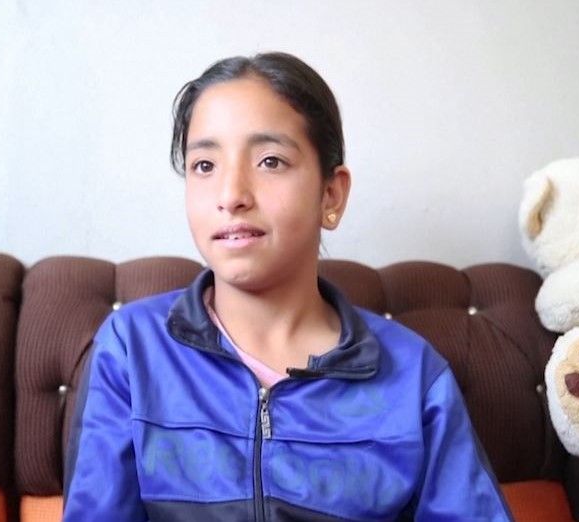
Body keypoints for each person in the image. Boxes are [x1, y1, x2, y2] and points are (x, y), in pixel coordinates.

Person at [63, 52, 512, 521]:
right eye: (204, 165)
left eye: (270, 161)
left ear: (331, 195)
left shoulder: (412, 375)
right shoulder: (132, 348)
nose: (231, 195)